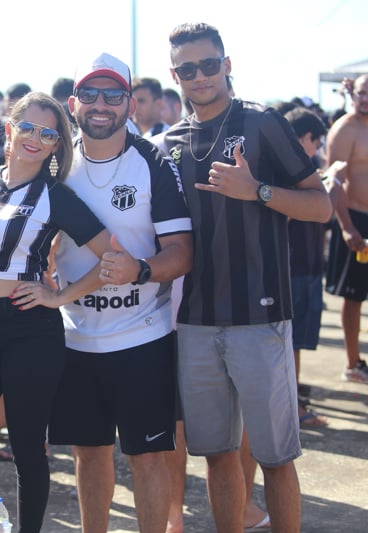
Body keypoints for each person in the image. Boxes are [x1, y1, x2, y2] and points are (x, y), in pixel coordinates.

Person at [162, 23, 331, 532]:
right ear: (176, 75)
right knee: (216, 455)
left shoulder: (262, 124)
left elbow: (320, 206)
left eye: (209, 65)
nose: (200, 77)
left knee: (276, 458)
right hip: (193, 322)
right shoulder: (168, 142)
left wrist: (256, 191)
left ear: (227, 64)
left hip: (260, 319)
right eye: (187, 69)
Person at [0, 91, 111, 533]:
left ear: (57, 144)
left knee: (27, 447)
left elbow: (112, 258)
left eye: (48, 133)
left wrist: (59, 296)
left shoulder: (56, 197)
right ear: (10, 130)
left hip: (30, 330)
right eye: (28, 128)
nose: (36, 138)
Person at [46, 52, 193, 533]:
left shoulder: (152, 161)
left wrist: (140, 269)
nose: (100, 104)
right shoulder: (56, 162)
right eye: (90, 94)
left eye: (113, 95)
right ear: (73, 103)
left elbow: (182, 252)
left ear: (130, 103)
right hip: (76, 338)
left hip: (142, 337)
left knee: (148, 459)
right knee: (89, 454)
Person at [283, 106, 331, 426]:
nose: (318, 149)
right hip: (293, 268)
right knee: (293, 342)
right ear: (304, 138)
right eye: (316, 141)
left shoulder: (302, 169)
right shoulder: (285, 171)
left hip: (307, 266)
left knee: (297, 340)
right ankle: (293, 407)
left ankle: (293, 404)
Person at [324, 73, 368, 384]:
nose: (365, 99)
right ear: (353, 93)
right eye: (363, 93)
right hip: (355, 220)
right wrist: (346, 226)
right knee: (353, 297)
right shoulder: (344, 130)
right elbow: (333, 182)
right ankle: (353, 363)